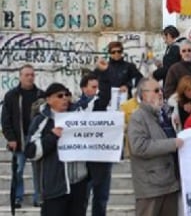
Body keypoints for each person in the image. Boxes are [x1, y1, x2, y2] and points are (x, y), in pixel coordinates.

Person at [25, 83, 88, 216]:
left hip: (78, 186)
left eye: (67, 95)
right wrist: (52, 136)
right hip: (54, 188)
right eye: (60, 96)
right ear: (49, 100)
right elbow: (30, 152)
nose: (64, 98)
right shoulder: (41, 121)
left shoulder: (80, 117)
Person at [127, 78, 183, 216]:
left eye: (161, 90)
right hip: (151, 187)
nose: (160, 94)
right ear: (144, 94)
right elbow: (139, 147)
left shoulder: (163, 115)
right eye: (156, 90)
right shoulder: (138, 117)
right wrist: (172, 144)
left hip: (169, 183)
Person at [1, 64, 43, 208]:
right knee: (18, 170)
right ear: (20, 76)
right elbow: (5, 119)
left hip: (36, 140)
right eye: (27, 75)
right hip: (19, 140)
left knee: (38, 171)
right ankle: (18, 198)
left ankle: (39, 198)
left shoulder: (41, 95)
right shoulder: (11, 95)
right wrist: (11, 138)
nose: (30, 77)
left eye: (32, 74)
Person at [72, 74, 113, 216]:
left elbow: (106, 96)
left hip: (102, 160)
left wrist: (104, 72)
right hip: (83, 161)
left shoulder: (101, 105)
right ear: (84, 88)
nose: (97, 90)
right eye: (93, 87)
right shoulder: (74, 108)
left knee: (101, 199)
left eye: (98, 87)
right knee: (81, 199)